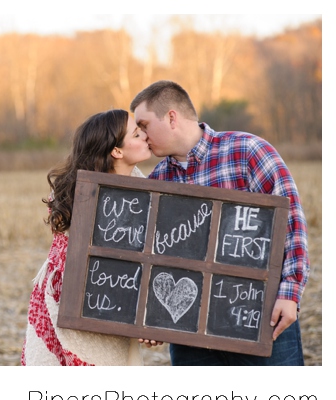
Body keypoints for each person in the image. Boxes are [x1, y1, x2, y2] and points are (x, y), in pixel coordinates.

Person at [130, 80, 309, 365]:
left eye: (144, 124)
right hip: (190, 337)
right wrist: (152, 318)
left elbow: (290, 222)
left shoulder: (247, 150)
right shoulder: (158, 181)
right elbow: (155, 258)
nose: (141, 134)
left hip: (258, 318)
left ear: (171, 117)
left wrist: (290, 292)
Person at [21, 109, 155, 365]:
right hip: (75, 307)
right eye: (137, 134)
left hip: (112, 309)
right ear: (117, 151)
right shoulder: (84, 198)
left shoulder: (145, 194)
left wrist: (149, 321)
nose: (146, 137)